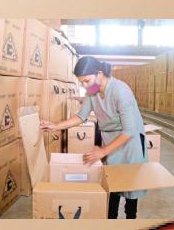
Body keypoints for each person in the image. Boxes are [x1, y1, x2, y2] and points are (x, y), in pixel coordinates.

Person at [40, 56, 148, 219]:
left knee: (130, 188)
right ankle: (110, 220)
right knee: (113, 186)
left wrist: (102, 151)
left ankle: (130, 219)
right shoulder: (93, 91)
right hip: (111, 141)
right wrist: (55, 125)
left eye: (87, 81)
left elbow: (129, 131)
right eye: (82, 82)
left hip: (130, 142)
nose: (85, 86)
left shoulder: (121, 90)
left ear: (99, 73)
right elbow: (81, 116)